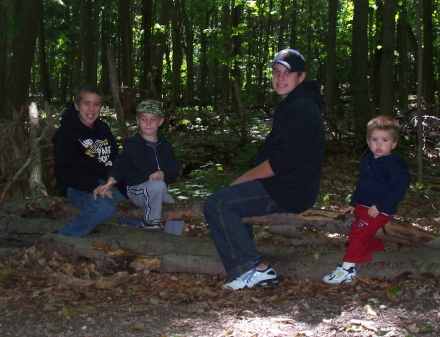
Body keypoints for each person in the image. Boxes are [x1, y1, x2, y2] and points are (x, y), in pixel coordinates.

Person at [203, 49, 325, 290]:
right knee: (233, 201)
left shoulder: (301, 108)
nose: (280, 78)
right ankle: (247, 267)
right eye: (276, 72)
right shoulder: (291, 103)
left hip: (289, 190)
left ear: (301, 77)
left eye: (287, 73)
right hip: (284, 185)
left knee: (217, 204)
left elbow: (281, 162)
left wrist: (243, 179)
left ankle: (253, 269)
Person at [323, 115, 410, 284]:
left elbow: (399, 190)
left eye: (384, 140)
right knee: (367, 231)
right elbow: (362, 184)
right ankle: (378, 255)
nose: (379, 144)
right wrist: (353, 204)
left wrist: (380, 206)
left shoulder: (395, 164)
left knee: (360, 230)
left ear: (394, 143)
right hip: (364, 205)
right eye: (374, 139)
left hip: (382, 209)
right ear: (368, 141)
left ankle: (348, 269)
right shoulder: (368, 160)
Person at [53, 83, 129, 238]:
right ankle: (63, 238)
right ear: (76, 105)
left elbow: (114, 162)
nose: (91, 109)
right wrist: (92, 185)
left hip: (105, 185)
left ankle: (128, 243)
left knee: (130, 210)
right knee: (105, 207)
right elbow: (63, 170)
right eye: (86, 104)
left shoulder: (104, 129)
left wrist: (123, 189)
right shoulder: (65, 133)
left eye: (96, 104)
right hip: (77, 187)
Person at [99, 99, 184, 235]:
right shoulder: (132, 145)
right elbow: (121, 164)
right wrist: (112, 179)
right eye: (144, 119)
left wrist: (163, 173)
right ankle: (150, 227)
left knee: (178, 214)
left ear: (160, 122)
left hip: (159, 192)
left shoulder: (165, 145)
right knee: (158, 185)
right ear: (138, 121)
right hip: (137, 191)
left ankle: (171, 241)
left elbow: (174, 167)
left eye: (153, 119)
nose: (148, 123)